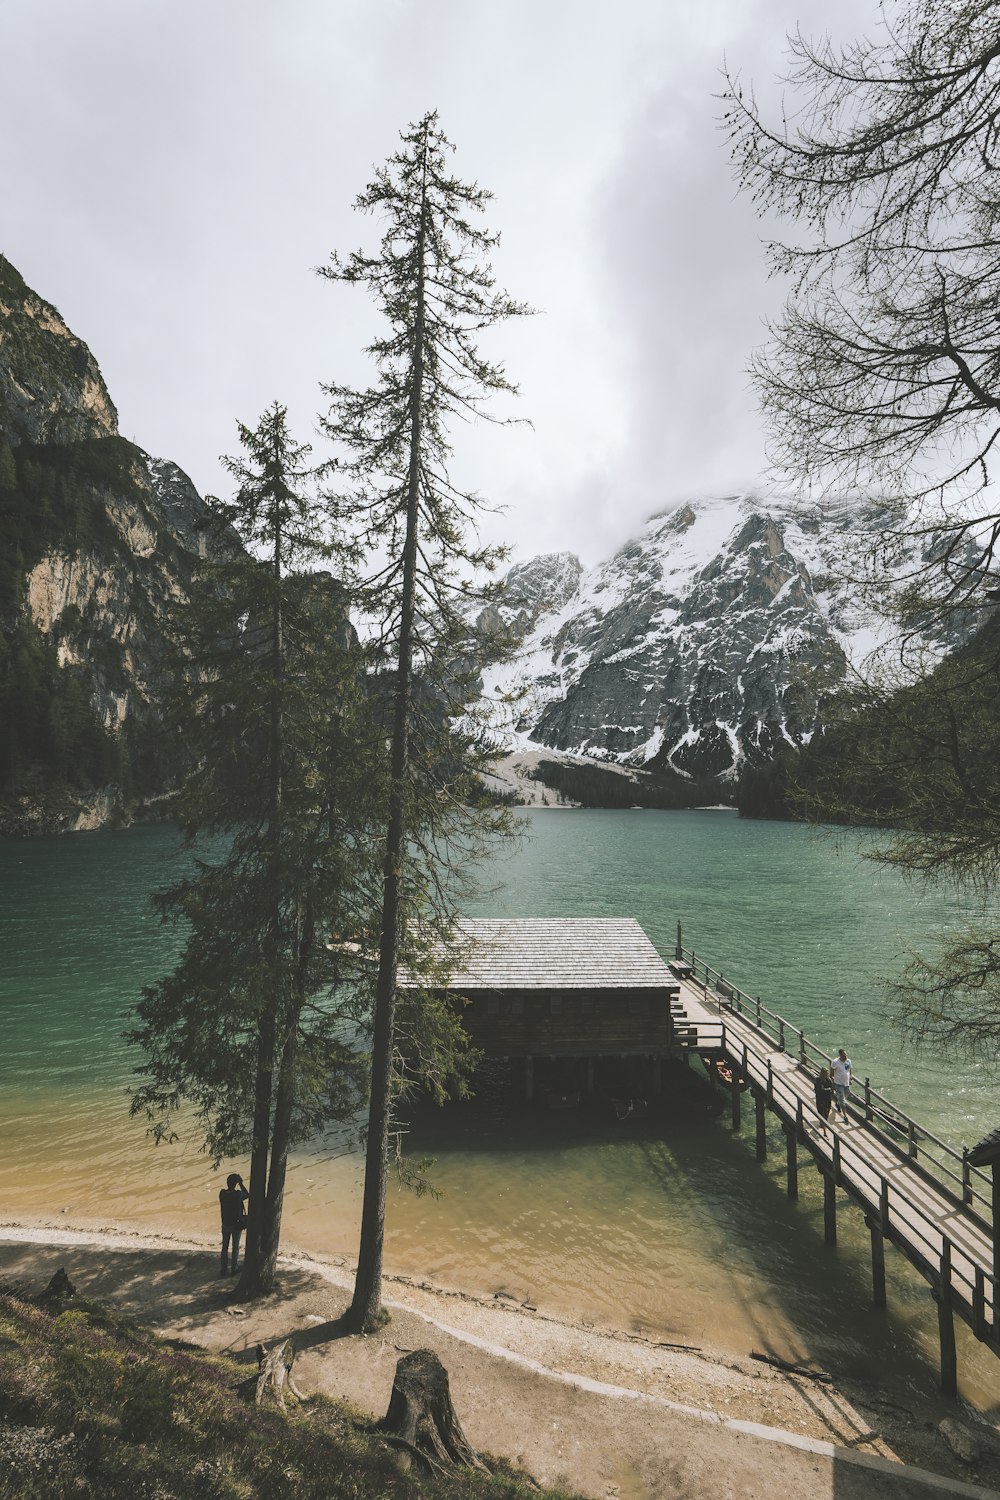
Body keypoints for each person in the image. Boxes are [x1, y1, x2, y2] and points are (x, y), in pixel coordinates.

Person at [219, 1173, 248, 1277]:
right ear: (236, 1184)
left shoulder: (222, 1193)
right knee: (235, 1247)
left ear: (227, 1183)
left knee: (224, 1247)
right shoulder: (238, 1195)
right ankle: (234, 1268)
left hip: (225, 1224)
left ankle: (223, 1269)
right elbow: (247, 1194)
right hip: (236, 1225)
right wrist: (241, 1184)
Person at [830, 1049, 852, 1118]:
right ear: (840, 1055)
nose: (845, 1056)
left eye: (846, 1055)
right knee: (843, 1100)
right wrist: (832, 1078)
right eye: (844, 1055)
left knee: (847, 1093)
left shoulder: (848, 1061)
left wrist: (850, 1078)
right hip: (838, 1083)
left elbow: (850, 1070)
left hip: (846, 1083)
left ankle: (838, 1103)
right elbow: (832, 1070)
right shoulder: (835, 1062)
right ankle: (845, 1116)